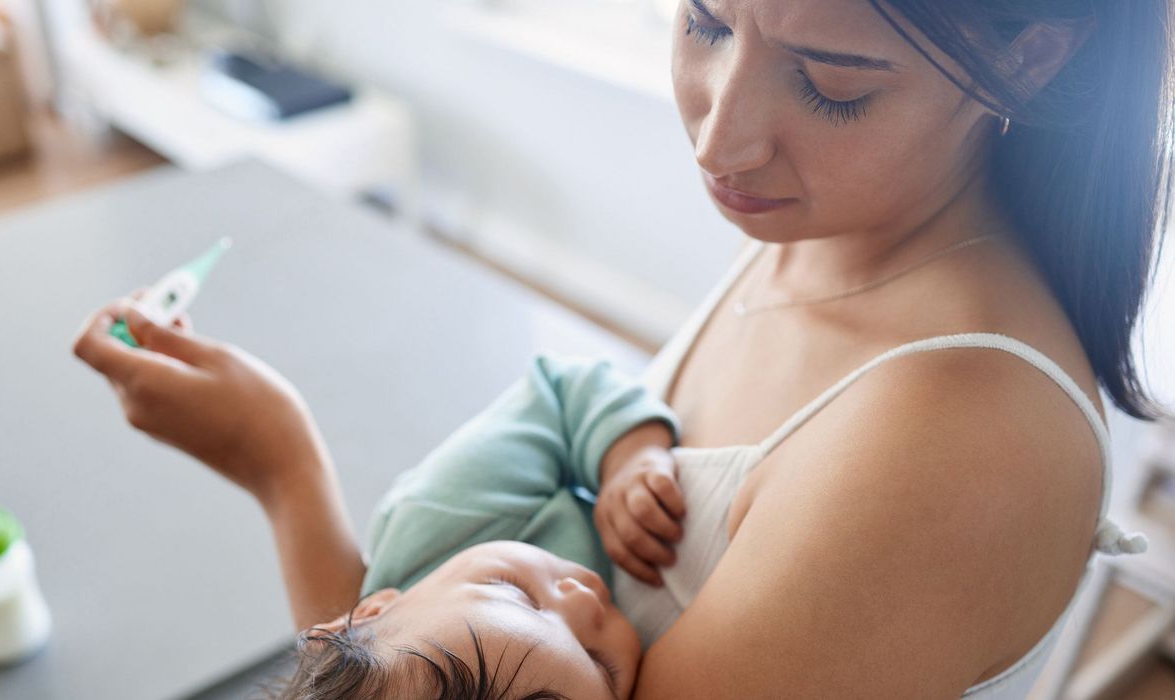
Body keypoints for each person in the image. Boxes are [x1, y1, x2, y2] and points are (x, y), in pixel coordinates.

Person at [74, 0, 1173, 697]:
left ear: (1026, 60)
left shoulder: (951, 442)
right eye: (701, 18)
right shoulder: (825, 232)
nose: (717, 135)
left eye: (833, 81)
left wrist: (281, 472)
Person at [73, 302, 683, 699]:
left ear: (369, 610)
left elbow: (560, 390)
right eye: (599, 665)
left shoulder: (441, 517)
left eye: (514, 592)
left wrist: (628, 457)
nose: (579, 602)